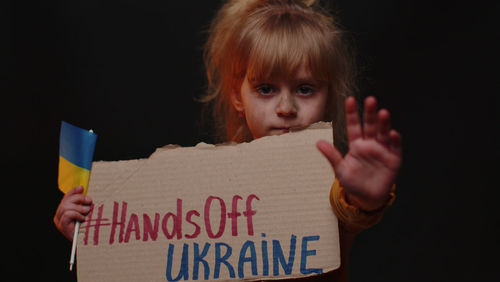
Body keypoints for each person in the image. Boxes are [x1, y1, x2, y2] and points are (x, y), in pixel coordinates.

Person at [54, 0, 402, 280]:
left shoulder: (334, 179)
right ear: (238, 96)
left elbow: (348, 209)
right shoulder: (208, 183)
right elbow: (158, 251)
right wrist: (96, 238)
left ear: (328, 96)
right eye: (266, 88)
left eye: (305, 88)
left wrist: (364, 198)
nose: (286, 107)